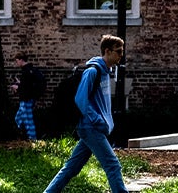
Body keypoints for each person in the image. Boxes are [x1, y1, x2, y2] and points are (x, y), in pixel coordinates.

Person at [45, 35, 127, 193]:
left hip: (94, 128)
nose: (121, 55)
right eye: (118, 51)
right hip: (91, 128)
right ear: (107, 51)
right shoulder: (92, 72)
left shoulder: (106, 72)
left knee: (72, 167)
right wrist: (96, 120)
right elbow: (80, 99)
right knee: (112, 165)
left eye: (122, 51)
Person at [12, 54, 45, 141]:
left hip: (26, 99)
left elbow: (26, 88)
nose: (16, 63)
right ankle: (21, 135)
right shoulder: (31, 70)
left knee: (27, 119)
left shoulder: (26, 72)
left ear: (21, 60)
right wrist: (20, 84)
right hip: (30, 98)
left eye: (17, 61)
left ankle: (32, 138)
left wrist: (17, 87)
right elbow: (28, 85)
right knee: (18, 118)